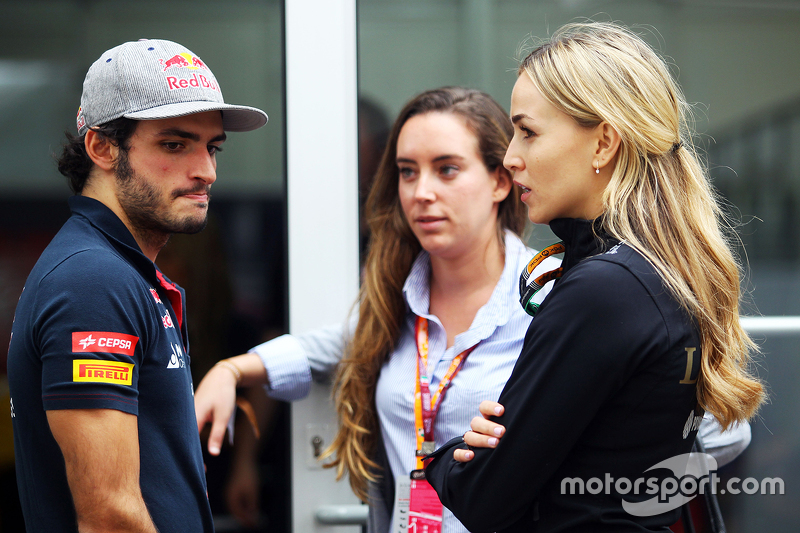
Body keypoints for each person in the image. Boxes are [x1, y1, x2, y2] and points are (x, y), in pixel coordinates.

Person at [423, 22, 765, 533]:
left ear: (604, 143)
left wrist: (445, 454)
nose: (511, 156)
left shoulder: (604, 289)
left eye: (528, 131)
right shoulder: (653, 273)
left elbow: (486, 499)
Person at [195, 86, 533, 533]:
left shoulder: (550, 297)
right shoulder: (397, 295)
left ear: (500, 180)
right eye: (407, 172)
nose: (422, 192)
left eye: (447, 170)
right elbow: (324, 347)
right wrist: (231, 371)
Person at [6, 38, 267, 532]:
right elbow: (110, 517)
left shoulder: (118, 271)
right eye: (175, 144)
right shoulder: (93, 281)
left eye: (212, 147)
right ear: (102, 147)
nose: (206, 171)